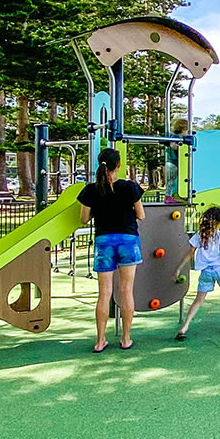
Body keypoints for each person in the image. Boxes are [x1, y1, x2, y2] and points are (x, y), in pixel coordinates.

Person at [77, 147, 145, 353]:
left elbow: (83, 218)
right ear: (118, 166)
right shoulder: (130, 187)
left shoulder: (91, 190)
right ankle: (125, 338)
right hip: (128, 239)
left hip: (104, 240)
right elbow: (141, 215)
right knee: (126, 291)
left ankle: (100, 341)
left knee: (104, 293)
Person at [174, 206, 220, 340]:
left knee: (199, 299)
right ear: (219, 222)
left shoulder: (199, 235)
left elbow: (190, 254)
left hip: (206, 272)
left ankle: (185, 327)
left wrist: (179, 268)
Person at [164, 118, 189, 204]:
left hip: (175, 163)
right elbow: (172, 145)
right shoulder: (175, 137)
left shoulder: (180, 137)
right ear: (183, 129)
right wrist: (181, 147)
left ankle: (175, 195)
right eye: (187, 130)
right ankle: (168, 196)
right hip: (171, 163)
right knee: (170, 181)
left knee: (175, 180)